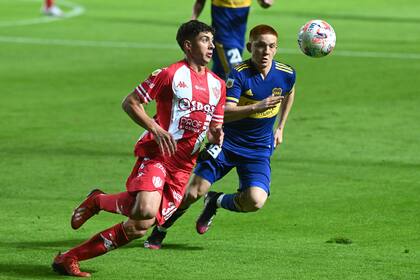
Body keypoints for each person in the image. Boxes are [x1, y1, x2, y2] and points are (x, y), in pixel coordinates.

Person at [51, 20, 226, 277]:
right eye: (204, 40)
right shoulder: (168, 75)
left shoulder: (218, 85)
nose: (211, 45)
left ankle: (70, 256)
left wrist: (215, 136)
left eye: (211, 40)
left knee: (139, 227)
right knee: (144, 209)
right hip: (159, 154)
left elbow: (213, 128)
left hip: (183, 166)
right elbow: (130, 102)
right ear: (188, 46)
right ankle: (97, 202)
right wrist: (155, 129)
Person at [144, 24, 296, 249]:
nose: (265, 51)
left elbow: (289, 92)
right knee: (194, 192)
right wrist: (257, 107)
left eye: (271, 46)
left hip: (259, 148)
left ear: (276, 48)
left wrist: (281, 127)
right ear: (249, 46)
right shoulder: (239, 74)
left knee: (255, 201)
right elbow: (224, 113)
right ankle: (160, 230)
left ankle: (216, 200)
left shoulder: (286, 73)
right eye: (260, 46)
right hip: (227, 144)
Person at [192, 0, 274, 80]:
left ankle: (206, 90)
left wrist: (265, 2)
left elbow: (265, 4)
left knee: (220, 73)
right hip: (223, 38)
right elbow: (200, 1)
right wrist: (194, 18)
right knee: (237, 73)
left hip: (239, 39)